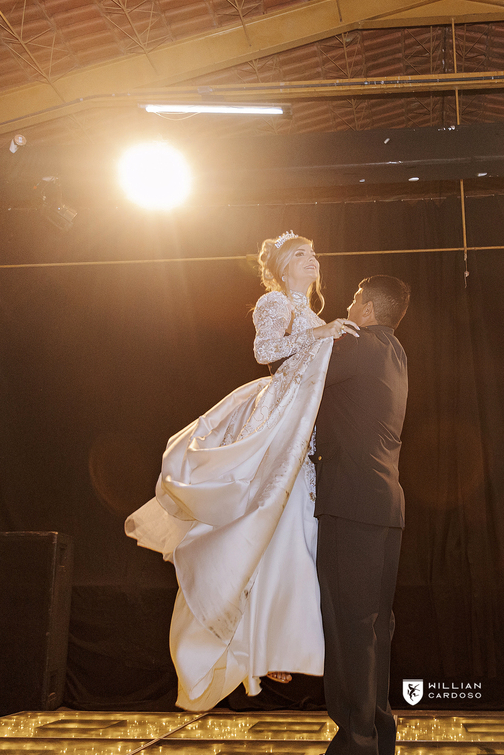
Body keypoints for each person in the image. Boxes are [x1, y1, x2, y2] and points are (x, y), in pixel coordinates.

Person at [125, 231, 358, 711]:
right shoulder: (275, 302)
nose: (312, 260)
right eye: (300, 254)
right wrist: (321, 334)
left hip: (305, 427)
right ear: (281, 267)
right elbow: (265, 351)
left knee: (292, 530)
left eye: (314, 254)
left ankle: (270, 639)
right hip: (277, 422)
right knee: (266, 522)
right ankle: (256, 638)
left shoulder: (317, 316)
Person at [313, 275, 411, 755]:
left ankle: (357, 745)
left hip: (351, 505)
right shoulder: (396, 352)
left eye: (354, 300)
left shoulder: (357, 343)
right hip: (386, 507)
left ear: (368, 309)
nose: (347, 308)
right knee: (374, 629)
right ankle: (376, 739)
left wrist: (306, 332)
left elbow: (294, 374)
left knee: (349, 627)